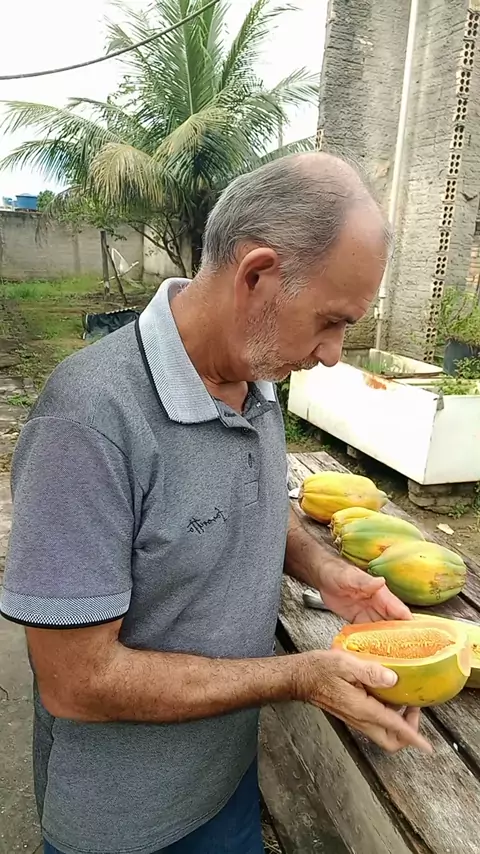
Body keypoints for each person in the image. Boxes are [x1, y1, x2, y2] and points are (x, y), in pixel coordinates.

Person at [0, 152, 432, 854]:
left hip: (228, 780)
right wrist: (298, 676)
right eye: (330, 321)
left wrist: (326, 571)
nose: (333, 353)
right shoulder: (87, 422)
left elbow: (249, 497)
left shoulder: (256, 374)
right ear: (257, 276)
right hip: (129, 824)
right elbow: (77, 682)